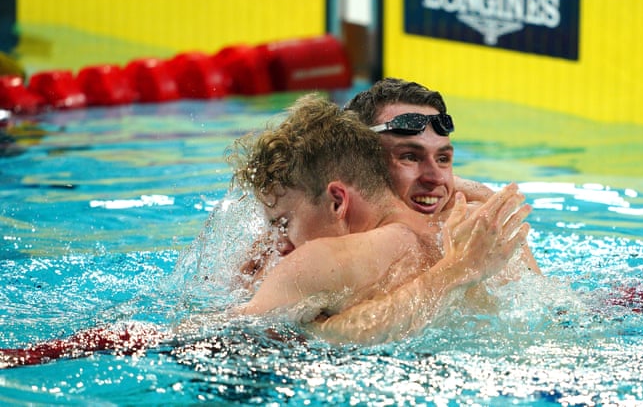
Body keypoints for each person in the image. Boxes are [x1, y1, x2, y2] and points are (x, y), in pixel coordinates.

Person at [0, 93, 531, 367]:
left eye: (284, 222)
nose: (433, 177)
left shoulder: (323, 257)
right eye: (410, 158)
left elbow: (229, 332)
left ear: (338, 196)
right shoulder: (473, 218)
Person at [343, 77, 540, 275]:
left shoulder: (470, 223)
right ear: (359, 163)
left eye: (443, 158)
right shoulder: (329, 238)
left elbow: (540, 296)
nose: (436, 178)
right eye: (410, 157)